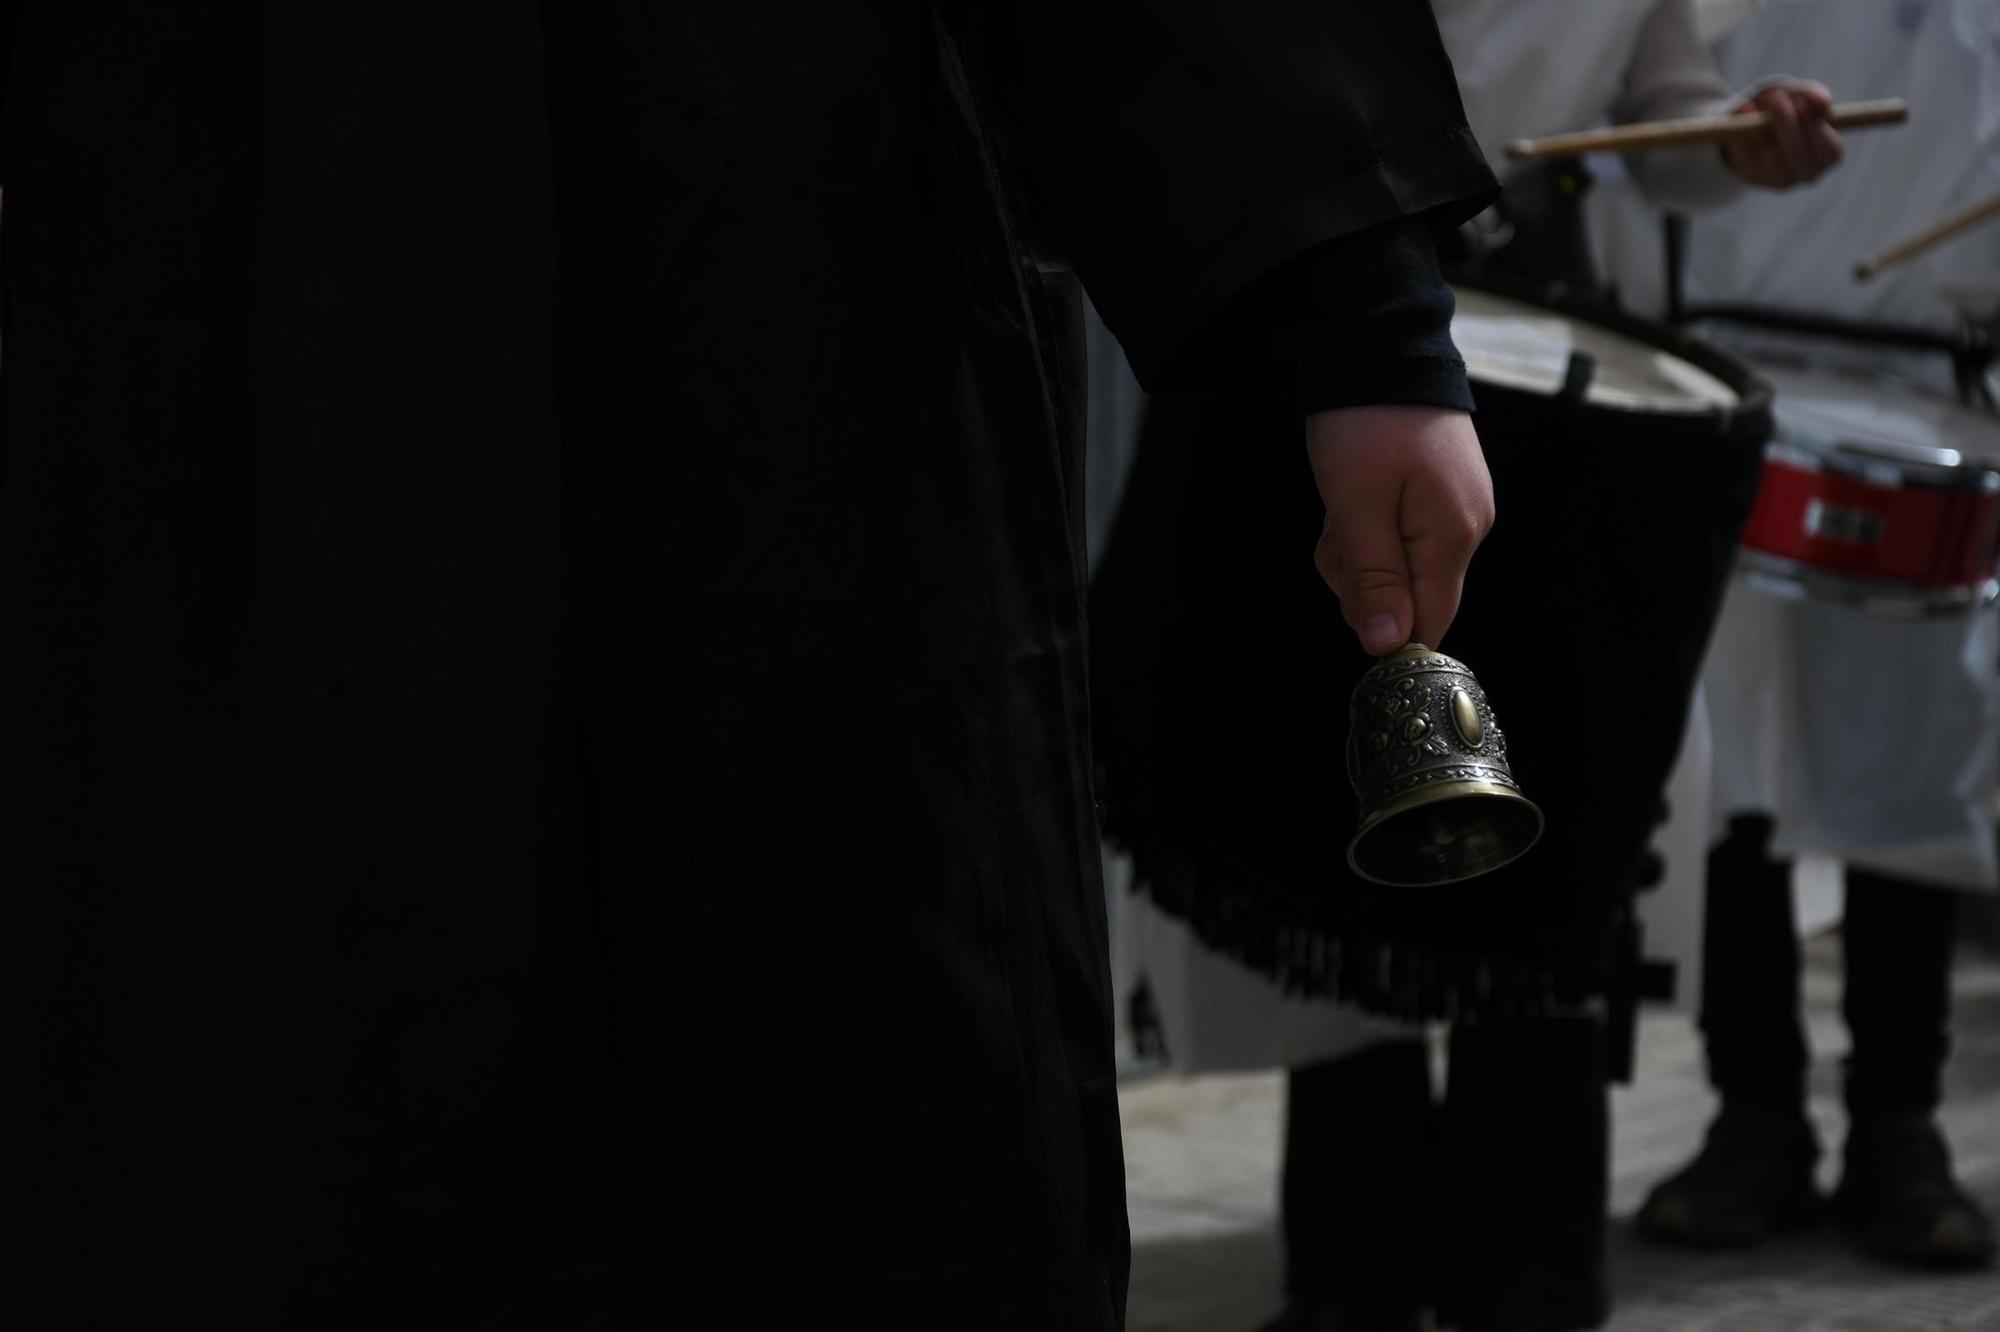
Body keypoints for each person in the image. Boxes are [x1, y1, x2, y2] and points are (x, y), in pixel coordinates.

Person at [1, 3, 1500, 1325]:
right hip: (237, 362)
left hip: (780, 347)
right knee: (287, 1108)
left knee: (848, 1097)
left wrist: (1359, 322)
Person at [1090, 3, 1844, 1329]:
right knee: (1332, 815)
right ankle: (1348, 1281)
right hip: (1317, 329)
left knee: (1544, 843)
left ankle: (1531, 1285)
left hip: (1540, 364)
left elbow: (1663, 135)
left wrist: (1745, 142)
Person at [1633, 0, 1999, 1269]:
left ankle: (1898, 1128)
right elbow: (1652, 147)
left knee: (1904, 785)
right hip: (1733, 384)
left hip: (1926, 397)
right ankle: (1755, 1117)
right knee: (1733, 780)